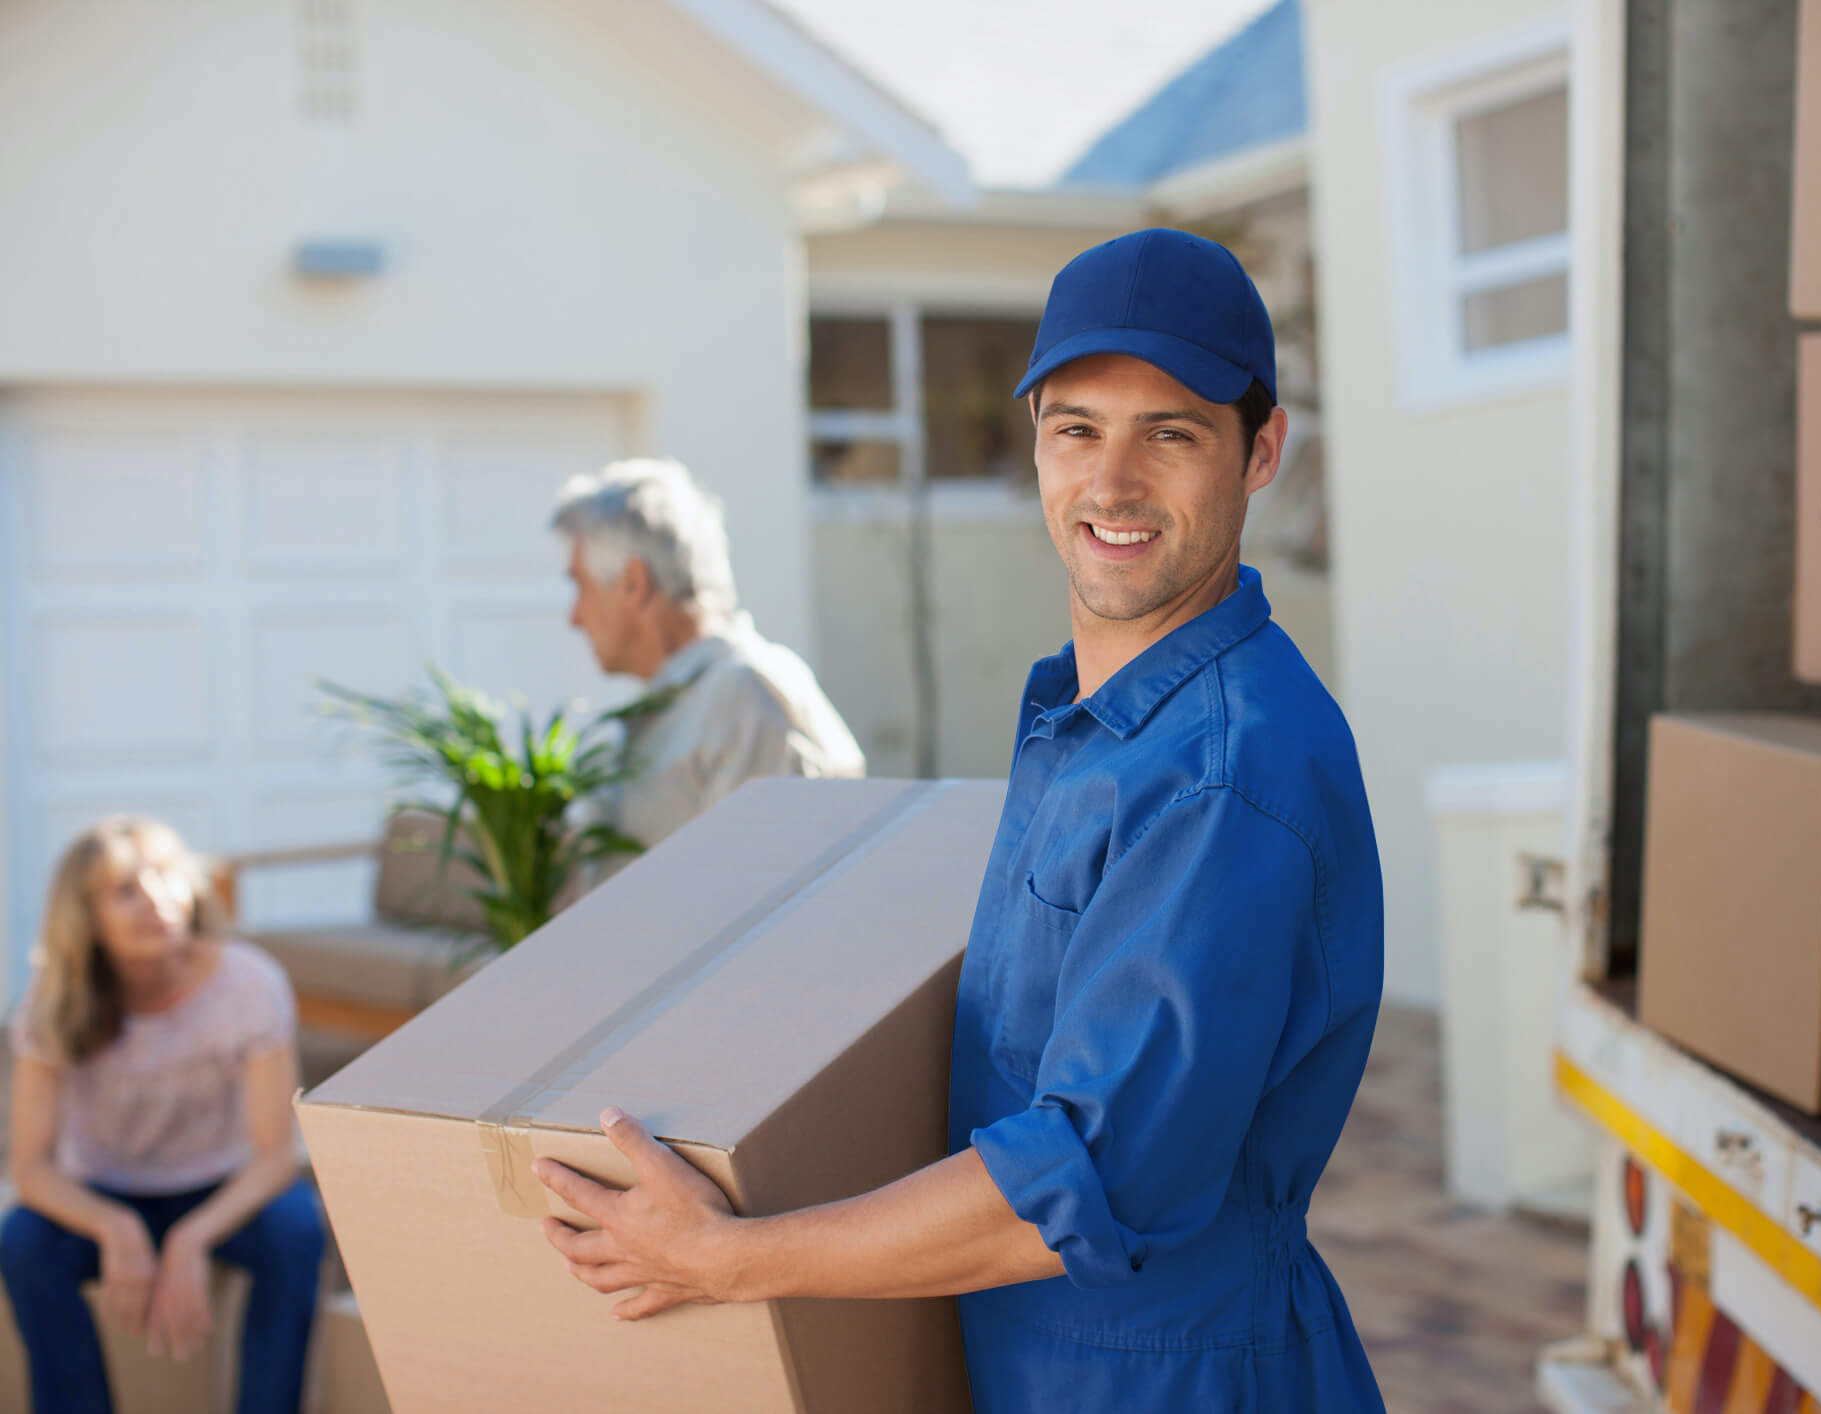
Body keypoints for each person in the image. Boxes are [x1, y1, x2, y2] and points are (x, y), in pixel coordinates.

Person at [533, 229, 1387, 1411]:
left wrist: (727, 1258)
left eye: (1172, 433)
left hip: (1174, 1378)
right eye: (1077, 428)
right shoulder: (1101, 720)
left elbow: (1086, 1173)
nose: (1114, 483)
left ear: (1262, 451)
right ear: (1035, 441)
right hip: (1047, 1361)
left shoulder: (1223, 776)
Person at [2, 816, 324, 1414]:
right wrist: (113, 1226)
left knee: (298, 1229)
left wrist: (190, 1238)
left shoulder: (249, 983)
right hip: (103, 1189)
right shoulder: (52, 1000)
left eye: (165, 877)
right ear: (84, 918)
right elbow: (31, 1169)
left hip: (221, 1190)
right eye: (125, 890)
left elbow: (276, 1156)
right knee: (21, 1243)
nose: (155, 899)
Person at [551, 458, 865, 850]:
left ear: (633, 583)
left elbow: (765, 894)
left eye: (580, 586)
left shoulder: (746, 696)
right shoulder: (690, 702)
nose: (574, 618)